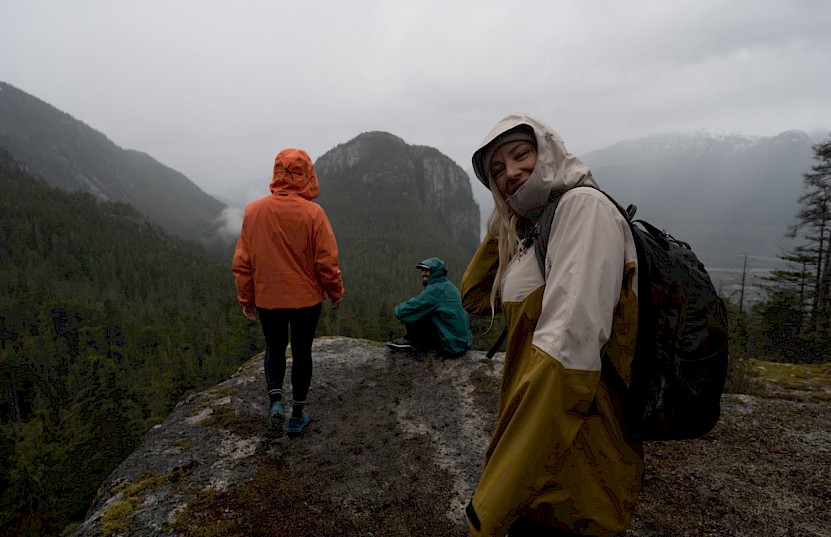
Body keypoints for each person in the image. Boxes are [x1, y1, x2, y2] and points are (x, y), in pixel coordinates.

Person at [460, 114, 643, 536]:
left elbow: (565, 360)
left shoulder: (584, 211)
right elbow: (472, 295)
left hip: (577, 464)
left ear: (548, 150)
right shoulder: (535, 233)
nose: (511, 172)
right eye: (496, 172)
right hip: (541, 454)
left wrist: (489, 504)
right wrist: (505, 218)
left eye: (521, 155)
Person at [232, 148, 344, 436]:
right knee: (302, 352)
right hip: (306, 300)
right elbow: (326, 261)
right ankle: (296, 415)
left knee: (275, 348)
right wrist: (336, 293)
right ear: (307, 175)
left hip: (269, 298)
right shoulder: (313, 214)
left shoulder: (253, 211)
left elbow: (243, 261)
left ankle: (275, 403)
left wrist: (247, 298)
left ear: (277, 173)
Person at [386, 257, 473, 358]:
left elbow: (405, 311)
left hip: (451, 346)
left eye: (427, 270)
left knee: (417, 312)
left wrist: (397, 309)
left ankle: (414, 341)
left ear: (436, 272)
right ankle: (419, 342)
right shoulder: (447, 286)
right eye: (422, 270)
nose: (423, 273)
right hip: (461, 343)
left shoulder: (436, 289)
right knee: (428, 312)